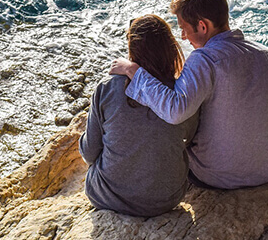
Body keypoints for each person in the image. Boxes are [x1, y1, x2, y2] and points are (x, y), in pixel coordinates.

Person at [110, 0, 268, 190]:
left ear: (203, 26)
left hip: (218, 176)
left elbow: (175, 110)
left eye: (183, 29)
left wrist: (134, 71)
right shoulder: (264, 53)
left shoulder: (204, 59)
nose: (182, 36)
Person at [79, 14, 199, 217]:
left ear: (132, 50)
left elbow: (89, 152)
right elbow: (190, 137)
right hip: (166, 199)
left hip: (109, 197)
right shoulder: (182, 94)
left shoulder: (108, 87)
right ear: (170, 48)